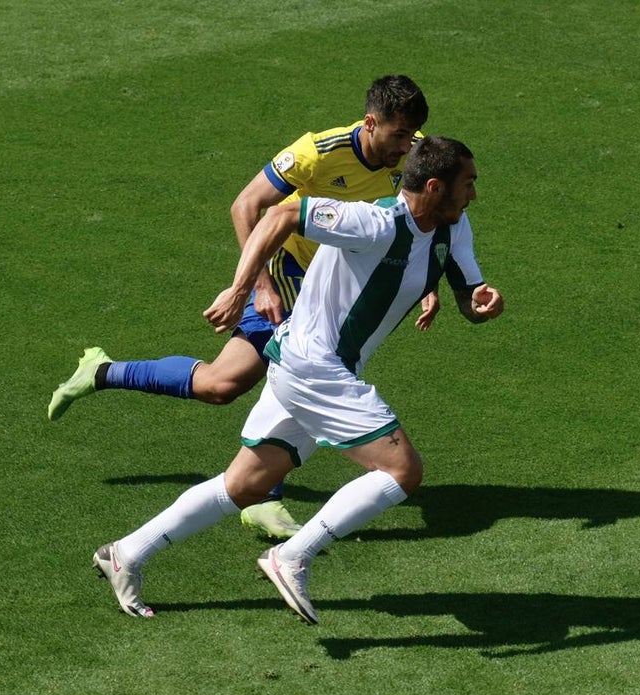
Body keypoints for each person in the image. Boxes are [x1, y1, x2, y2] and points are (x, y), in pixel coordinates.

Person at [92, 136, 504, 623]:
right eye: (468, 184)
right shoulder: (374, 223)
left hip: (312, 367)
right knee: (402, 471)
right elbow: (280, 215)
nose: (474, 194)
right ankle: (292, 556)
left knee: (245, 485)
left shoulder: (452, 227)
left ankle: (127, 552)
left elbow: (467, 292)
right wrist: (242, 289)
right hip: (313, 365)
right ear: (434, 187)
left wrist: (480, 302)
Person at [47, 75, 439, 540]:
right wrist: (259, 285)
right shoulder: (317, 152)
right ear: (370, 123)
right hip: (290, 272)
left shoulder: (413, 151)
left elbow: (427, 212)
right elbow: (246, 206)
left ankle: (103, 373)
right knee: (268, 375)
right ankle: (262, 495)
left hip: (342, 280)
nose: (405, 147)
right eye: (398, 135)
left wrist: (423, 277)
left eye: (410, 135)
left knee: (228, 383)